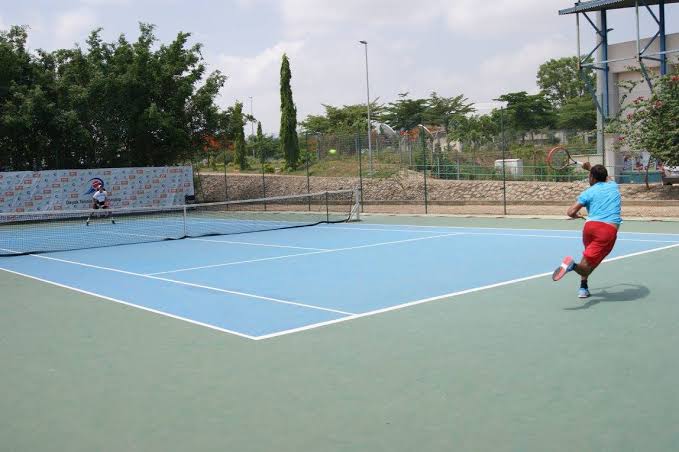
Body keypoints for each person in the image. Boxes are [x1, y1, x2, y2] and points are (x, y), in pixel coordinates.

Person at [552, 163, 621, 298]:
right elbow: (607, 177)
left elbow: (570, 212)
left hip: (589, 228)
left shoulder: (588, 192)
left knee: (587, 260)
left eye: (589, 176)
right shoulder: (613, 186)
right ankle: (572, 266)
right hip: (606, 231)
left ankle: (583, 287)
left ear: (592, 178)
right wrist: (590, 168)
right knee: (587, 267)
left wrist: (575, 215)